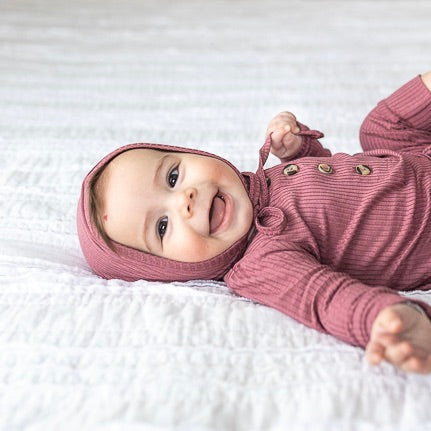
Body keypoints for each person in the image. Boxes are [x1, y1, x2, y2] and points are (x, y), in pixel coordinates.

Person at [77, 72, 431, 374]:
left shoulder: (258, 183)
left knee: (380, 128)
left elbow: (340, 190)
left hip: (416, 162)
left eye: (172, 177)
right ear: (167, 270)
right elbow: (323, 298)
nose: (183, 201)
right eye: (162, 228)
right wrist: (383, 319)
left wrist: (300, 152)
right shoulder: (261, 262)